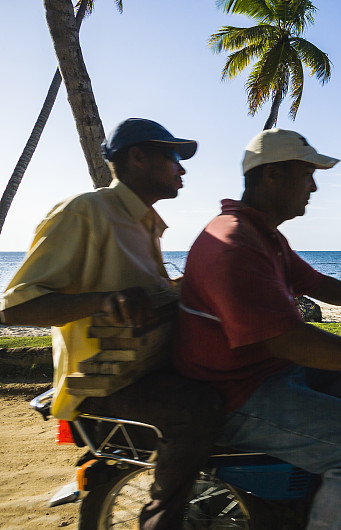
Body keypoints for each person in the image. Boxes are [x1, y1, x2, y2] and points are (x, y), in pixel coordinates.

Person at [173, 128, 341, 530]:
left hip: (267, 373)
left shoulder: (261, 234)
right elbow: (290, 341)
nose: (314, 187)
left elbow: (319, 285)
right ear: (272, 176)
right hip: (237, 394)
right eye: (307, 175)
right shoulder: (235, 243)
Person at [0, 118, 222, 530]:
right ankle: (163, 521)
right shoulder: (85, 211)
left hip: (146, 369)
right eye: (173, 156)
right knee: (197, 409)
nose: (182, 168)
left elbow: (145, 298)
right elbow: (15, 308)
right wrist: (104, 301)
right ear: (138, 157)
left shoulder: (145, 223)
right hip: (104, 384)